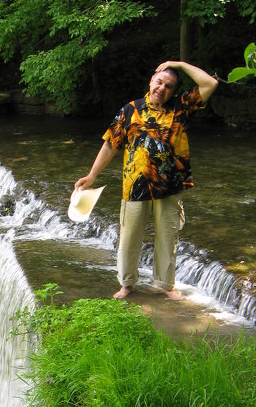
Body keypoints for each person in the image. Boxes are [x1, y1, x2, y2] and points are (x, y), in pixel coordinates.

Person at [74, 61, 218, 299]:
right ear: (151, 81)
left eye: (169, 86)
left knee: (168, 238)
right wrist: (92, 175)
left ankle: (165, 285)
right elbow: (111, 145)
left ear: (173, 91)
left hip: (170, 187)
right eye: (159, 82)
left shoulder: (180, 108)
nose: (162, 88)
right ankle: (127, 284)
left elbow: (210, 83)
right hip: (135, 186)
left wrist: (179, 64)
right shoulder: (130, 110)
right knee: (129, 238)